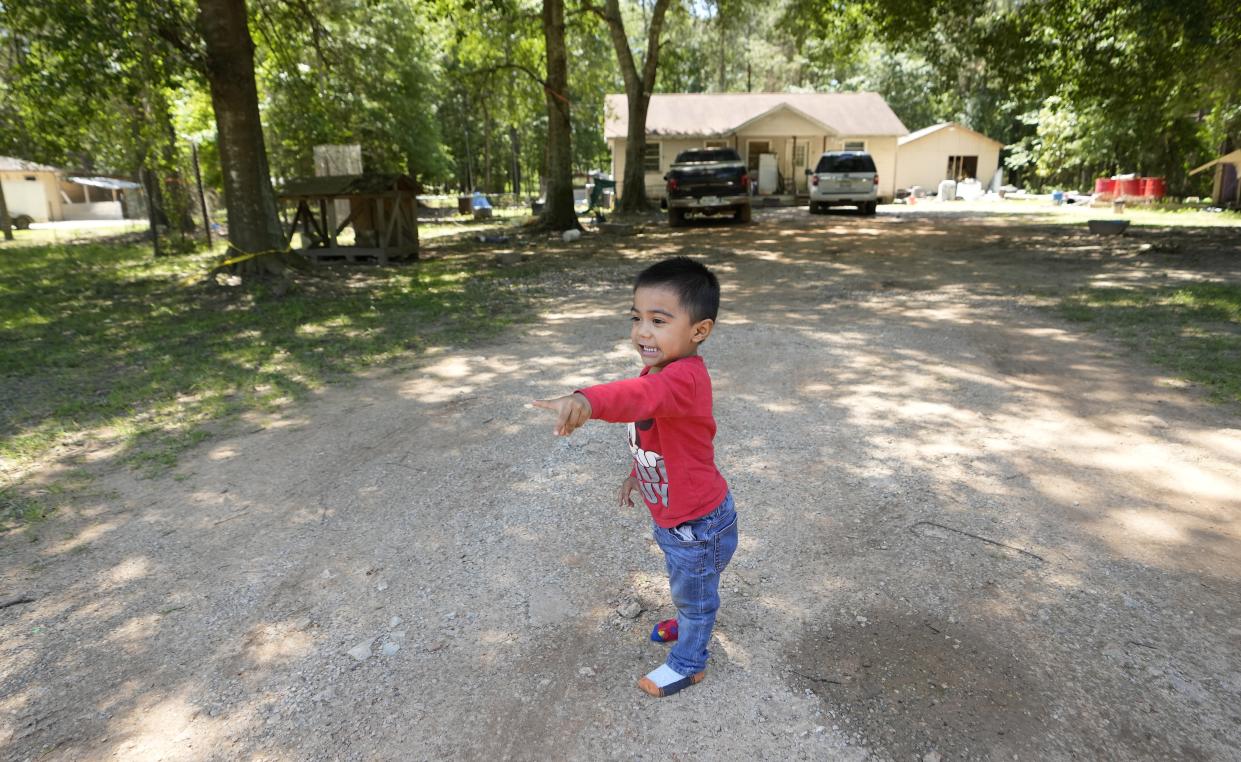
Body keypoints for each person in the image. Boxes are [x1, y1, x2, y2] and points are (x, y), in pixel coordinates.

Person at [533, 256, 738, 698]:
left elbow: (638, 398)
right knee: (686, 584)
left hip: (698, 525)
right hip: (676, 520)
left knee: (695, 595)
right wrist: (636, 473)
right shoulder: (660, 368)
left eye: (659, 320)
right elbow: (655, 434)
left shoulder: (682, 378)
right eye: (637, 318)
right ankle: (689, 624)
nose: (643, 331)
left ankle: (689, 660)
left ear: (699, 331)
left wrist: (586, 401)